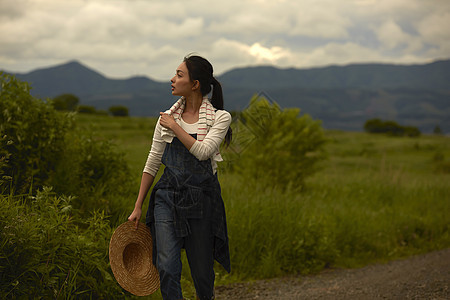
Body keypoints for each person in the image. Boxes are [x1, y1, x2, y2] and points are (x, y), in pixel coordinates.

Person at [128, 54, 232, 300]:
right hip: (168, 197)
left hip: (202, 199)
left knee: (202, 274)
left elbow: (204, 152)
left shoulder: (220, 118)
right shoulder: (165, 119)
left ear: (195, 84)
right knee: (166, 267)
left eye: (179, 74)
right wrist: (138, 205)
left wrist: (174, 126)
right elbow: (153, 162)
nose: (172, 79)